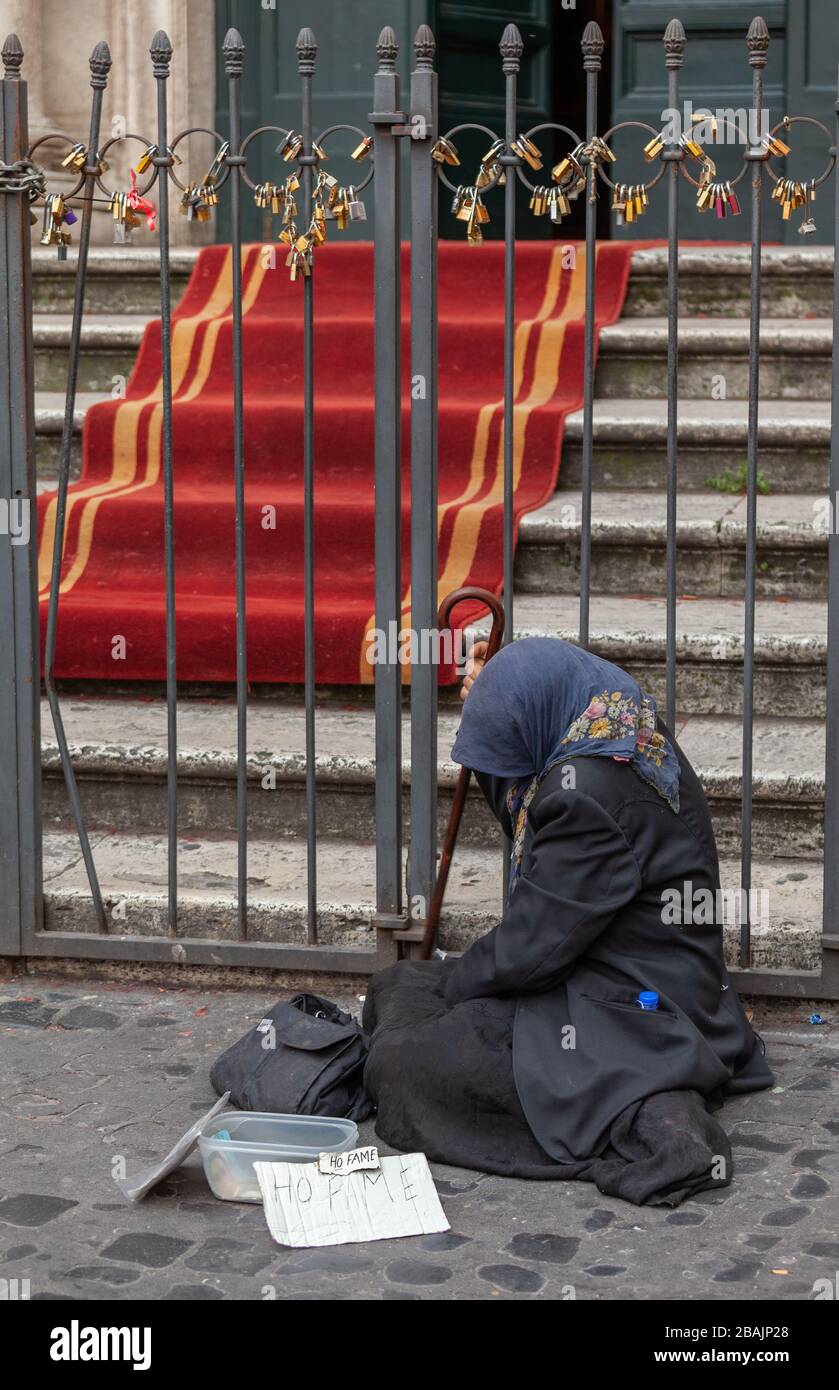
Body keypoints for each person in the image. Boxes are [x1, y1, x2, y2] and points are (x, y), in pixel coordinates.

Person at [362, 636, 773, 1202]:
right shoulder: (618, 721)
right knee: (400, 985)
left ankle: (655, 1112)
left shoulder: (589, 794)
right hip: (630, 969)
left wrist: (456, 993)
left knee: (408, 1064)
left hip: (637, 1005)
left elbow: (531, 950)